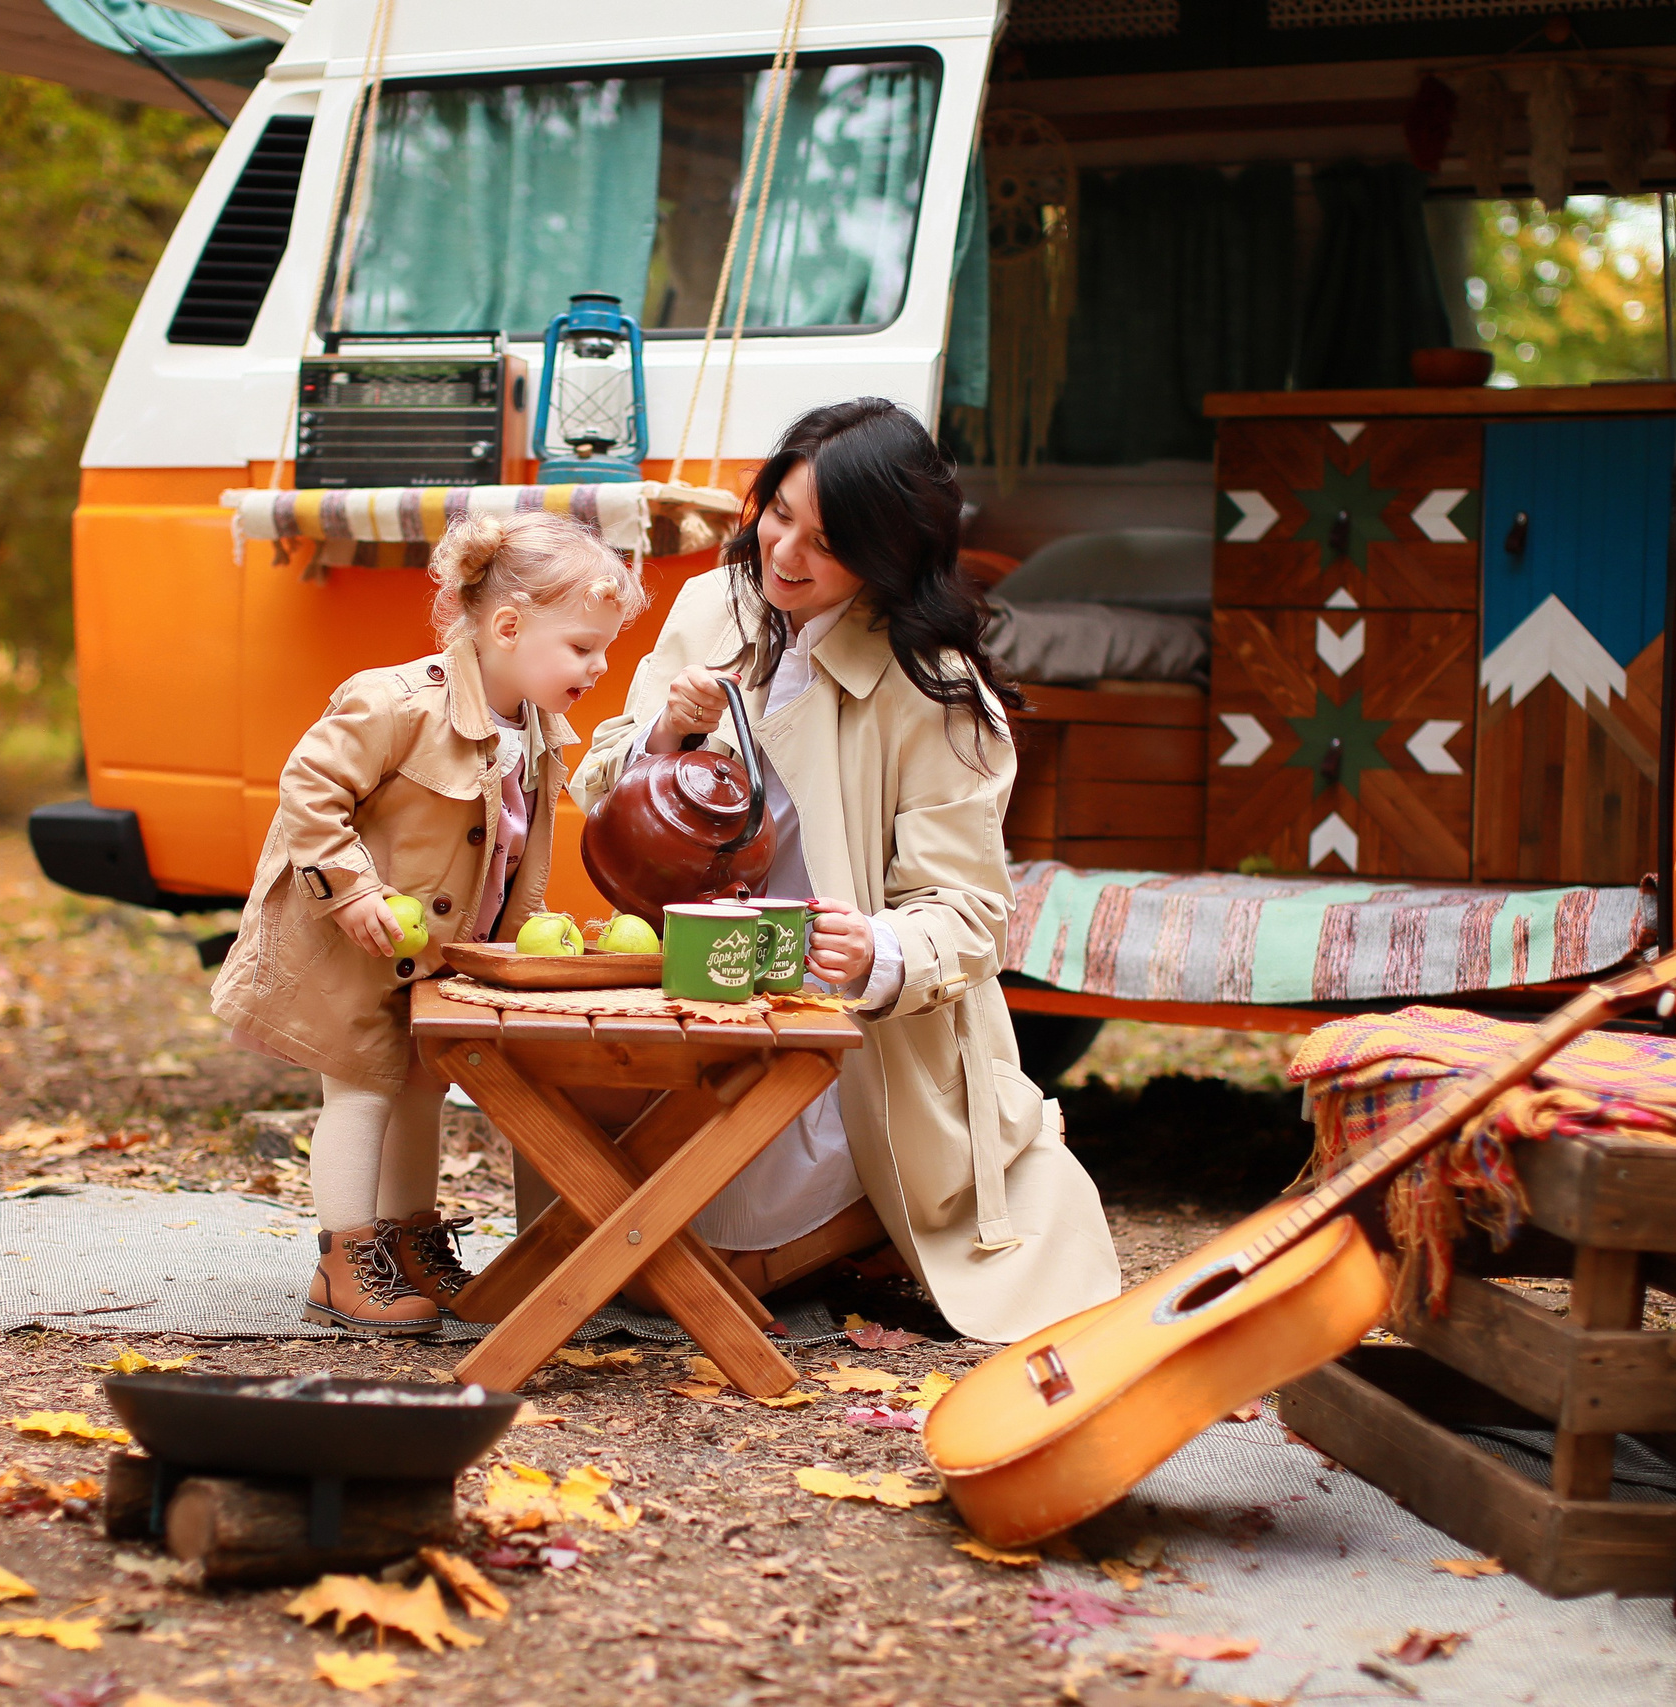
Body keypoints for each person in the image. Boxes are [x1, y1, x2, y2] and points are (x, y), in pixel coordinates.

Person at [572, 398, 1121, 1343]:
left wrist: (875, 946)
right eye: (778, 513)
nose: (785, 554)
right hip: (694, 981)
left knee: (715, 1247)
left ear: (888, 552)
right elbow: (598, 786)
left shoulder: (940, 696)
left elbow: (971, 918)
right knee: (581, 1151)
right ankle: (820, 1232)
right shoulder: (713, 606)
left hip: (839, 1023)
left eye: (825, 541)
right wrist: (669, 731)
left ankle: (852, 1220)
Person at [213, 512, 649, 1334]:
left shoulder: (541, 732)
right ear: (509, 626)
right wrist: (353, 892)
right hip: (362, 946)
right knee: (361, 1089)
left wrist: (521, 940)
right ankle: (343, 1259)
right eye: (585, 646)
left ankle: (410, 1238)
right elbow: (310, 791)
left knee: (422, 1088)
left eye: (604, 646)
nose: (600, 664)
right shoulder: (398, 703)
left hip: (442, 957)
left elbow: (519, 850)